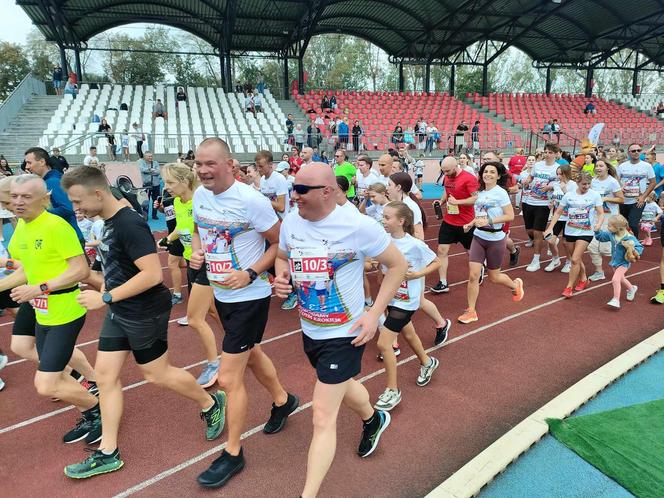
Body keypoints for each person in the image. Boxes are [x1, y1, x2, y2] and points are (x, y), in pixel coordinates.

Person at [59, 166, 224, 478]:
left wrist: (105, 298)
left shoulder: (129, 223)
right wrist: (102, 286)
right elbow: (118, 267)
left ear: (97, 193)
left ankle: (210, 403)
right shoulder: (106, 221)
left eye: (78, 201)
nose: (75, 207)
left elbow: (151, 275)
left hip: (144, 311)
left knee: (156, 375)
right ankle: (108, 451)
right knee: (105, 378)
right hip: (120, 311)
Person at [273, 163, 407, 498]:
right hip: (310, 329)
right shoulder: (291, 220)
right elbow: (281, 255)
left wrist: (374, 313)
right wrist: (281, 278)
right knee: (342, 383)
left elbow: (398, 266)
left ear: (328, 192)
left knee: (322, 416)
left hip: (345, 332)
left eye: (303, 190)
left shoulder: (359, 226)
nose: (295, 195)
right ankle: (373, 419)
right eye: (294, 187)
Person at [191, 138, 297, 489]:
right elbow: (198, 228)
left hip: (249, 296)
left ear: (229, 163)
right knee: (251, 353)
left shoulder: (251, 200)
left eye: (210, 163)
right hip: (221, 293)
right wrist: (197, 251)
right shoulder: (200, 195)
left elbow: (279, 242)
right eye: (198, 163)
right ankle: (283, 401)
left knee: (228, 378)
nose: (204, 170)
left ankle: (233, 453)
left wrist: (250, 273)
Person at [4, 175, 102, 445]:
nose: (18, 202)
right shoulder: (21, 229)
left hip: (63, 307)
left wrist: (40, 288)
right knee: (22, 346)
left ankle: (95, 411)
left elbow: (80, 270)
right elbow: (26, 270)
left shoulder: (56, 227)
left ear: (44, 199)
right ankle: (80, 380)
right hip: (39, 305)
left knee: (46, 385)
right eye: (14, 196)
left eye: (25, 197)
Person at [373, 201, 441, 411]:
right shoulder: (384, 242)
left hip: (407, 301)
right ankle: (428, 362)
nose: (382, 221)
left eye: (387, 217)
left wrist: (418, 274)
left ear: (401, 221)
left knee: (384, 344)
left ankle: (392, 390)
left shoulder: (414, 244)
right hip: (391, 297)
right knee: (409, 335)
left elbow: (437, 261)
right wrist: (378, 271)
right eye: (382, 216)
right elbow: (382, 270)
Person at [160, 163, 222, 387]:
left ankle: (215, 364)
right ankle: (238, 346)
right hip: (191, 260)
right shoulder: (178, 202)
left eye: (170, 182)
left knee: (195, 318)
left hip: (206, 262)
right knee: (213, 311)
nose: (166, 187)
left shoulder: (202, 199)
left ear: (184, 181)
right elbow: (182, 227)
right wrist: (169, 238)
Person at [458, 162, 525, 324]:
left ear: (498, 175)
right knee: (473, 275)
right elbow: (480, 214)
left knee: (494, 277)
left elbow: (510, 216)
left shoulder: (501, 193)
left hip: (495, 239)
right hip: (479, 237)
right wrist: (471, 223)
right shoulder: (480, 193)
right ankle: (471, 311)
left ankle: (515, 285)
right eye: (485, 171)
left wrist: (489, 220)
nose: (488, 174)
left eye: (492, 172)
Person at [543, 171, 604, 298]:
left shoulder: (595, 195)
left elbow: (601, 213)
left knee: (575, 259)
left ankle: (569, 287)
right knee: (576, 258)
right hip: (570, 230)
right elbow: (558, 212)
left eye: (588, 184)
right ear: (577, 183)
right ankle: (583, 279)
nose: (586, 186)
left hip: (586, 232)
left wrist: (598, 224)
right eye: (583, 184)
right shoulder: (568, 196)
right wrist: (550, 228)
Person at [430, 157, 479, 294]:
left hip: (466, 222)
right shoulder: (447, 177)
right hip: (449, 221)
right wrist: (441, 202)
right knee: (441, 251)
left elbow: (475, 198)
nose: (445, 174)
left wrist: (458, 202)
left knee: (471, 253)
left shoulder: (469, 178)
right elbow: (447, 191)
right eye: (443, 171)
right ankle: (443, 282)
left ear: (456, 166)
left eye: (448, 171)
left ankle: (479, 268)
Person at [24, 147, 84, 244]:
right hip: (65, 236)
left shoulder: (52, 182)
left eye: (29, 163)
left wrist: (39, 213)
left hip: (68, 238)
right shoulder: (50, 180)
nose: (27, 167)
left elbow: (68, 208)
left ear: (42, 162)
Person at [522, 143, 560, 272]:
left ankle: (536, 260)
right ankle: (551, 239)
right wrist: (527, 180)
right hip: (529, 201)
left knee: (538, 233)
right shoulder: (537, 165)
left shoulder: (557, 168)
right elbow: (531, 176)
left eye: (550, 152)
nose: (547, 154)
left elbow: (561, 183)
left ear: (556, 154)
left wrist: (551, 186)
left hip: (543, 204)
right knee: (529, 231)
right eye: (546, 152)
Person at [594, 215, 643, 308]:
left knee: (615, 279)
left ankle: (616, 299)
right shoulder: (611, 234)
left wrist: (633, 250)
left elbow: (639, 247)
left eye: (609, 226)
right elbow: (601, 237)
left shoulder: (630, 238)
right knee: (621, 278)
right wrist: (597, 231)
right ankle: (632, 288)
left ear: (618, 228)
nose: (607, 227)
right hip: (614, 262)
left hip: (624, 262)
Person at [617, 143, 657, 237]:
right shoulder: (622, 166)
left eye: (638, 150)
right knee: (624, 224)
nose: (636, 152)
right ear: (629, 152)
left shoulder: (647, 166)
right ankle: (626, 245)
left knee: (633, 224)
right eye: (633, 151)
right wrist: (620, 188)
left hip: (638, 201)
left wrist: (643, 196)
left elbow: (653, 182)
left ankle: (635, 246)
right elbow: (616, 181)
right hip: (623, 201)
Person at [544, 164, 577, 273]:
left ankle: (569, 261)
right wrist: (552, 203)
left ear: (567, 173)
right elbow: (556, 197)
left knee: (566, 243)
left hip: (569, 218)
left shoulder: (573, 185)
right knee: (549, 239)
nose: (559, 176)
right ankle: (555, 259)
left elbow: (574, 201)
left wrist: (564, 190)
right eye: (557, 174)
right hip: (557, 217)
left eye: (561, 174)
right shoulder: (556, 184)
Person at [138, 151, 161, 219]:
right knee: (145, 201)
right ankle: (145, 216)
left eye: (151, 156)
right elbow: (142, 170)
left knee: (156, 200)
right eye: (149, 156)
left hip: (156, 184)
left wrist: (148, 171)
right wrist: (152, 170)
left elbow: (158, 172)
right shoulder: (142, 163)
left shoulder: (155, 163)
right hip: (146, 185)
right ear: (145, 157)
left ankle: (154, 215)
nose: (150, 157)